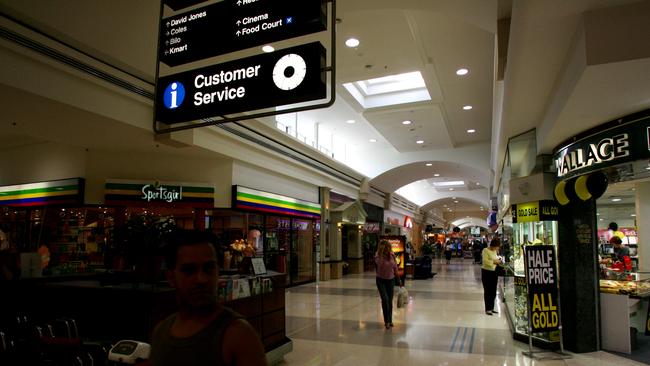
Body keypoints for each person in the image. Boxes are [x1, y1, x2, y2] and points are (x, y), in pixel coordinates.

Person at [150, 230, 267, 366]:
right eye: (189, 270)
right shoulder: (160, 333)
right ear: (171, 277)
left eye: (208, 268)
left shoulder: (238, 336)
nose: (201, 279)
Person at [374, 240, 402, 329]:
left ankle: (390, 320)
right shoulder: (377, 255)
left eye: (387, 247)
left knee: (389, 301)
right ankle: (386, 321)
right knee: (385, 299)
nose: (386, 249)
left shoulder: (392, 255)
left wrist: (399, 280)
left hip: (391, 280)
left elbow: (395, 268)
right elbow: (379, 265)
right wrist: (382, 255)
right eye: (384, 247)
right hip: (380, 280)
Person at [481, 238, 502, 315]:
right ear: (493, 245)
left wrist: (497, 260)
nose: (498, 248)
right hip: (486, 272)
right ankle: (487, 309)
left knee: (493, 290)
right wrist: (495, 261)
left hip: (494, 272)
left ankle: (491, 308)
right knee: (488, 291)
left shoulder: (495, 251)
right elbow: (485, 262)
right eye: (497, 246)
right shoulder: (485, 250)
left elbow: (496, 259)